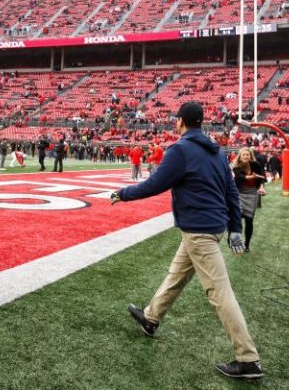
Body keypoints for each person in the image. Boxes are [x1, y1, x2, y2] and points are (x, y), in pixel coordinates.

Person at [111, 101, 262, 380]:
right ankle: (151, 317)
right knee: (176, 275)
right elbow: (231, 191)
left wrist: (124, 193)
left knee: (220, 292)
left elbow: (155, 184)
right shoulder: (216, 151)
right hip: (211, 227)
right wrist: (235, 228)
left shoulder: (180, 150)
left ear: (180, 121)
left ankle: (248, 358)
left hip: (199, 230)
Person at [231, 147, 267, 253]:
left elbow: (262, 177)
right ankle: (235, 242)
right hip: (240, 193)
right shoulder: (236, 166)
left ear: (250, 156)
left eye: (247, 155)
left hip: (252, 194)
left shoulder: (256, 165)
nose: (246, 156)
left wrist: (261, 187)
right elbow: (240, 177)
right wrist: (251, 177)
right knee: (236, 219)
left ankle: (246, 245)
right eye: (244, 155)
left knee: (249, 220)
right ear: (240, 156)